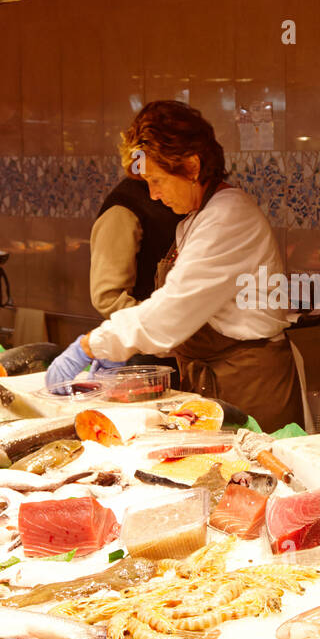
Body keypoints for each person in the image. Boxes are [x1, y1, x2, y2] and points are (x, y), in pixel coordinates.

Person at [46, 100, 301, 431]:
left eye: (157, 180)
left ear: (192, 166)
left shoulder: (228, 217)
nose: (152, 195)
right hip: (215, 384)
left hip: (250, 389)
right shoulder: (195, 220)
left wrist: (90, 345)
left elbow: (169, 315)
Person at [90, 175, 181, 317]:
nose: (154, 194)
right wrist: (167, 322)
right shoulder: (123, 209)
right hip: (151, 333)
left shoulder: (185, 201)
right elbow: (108, 300)